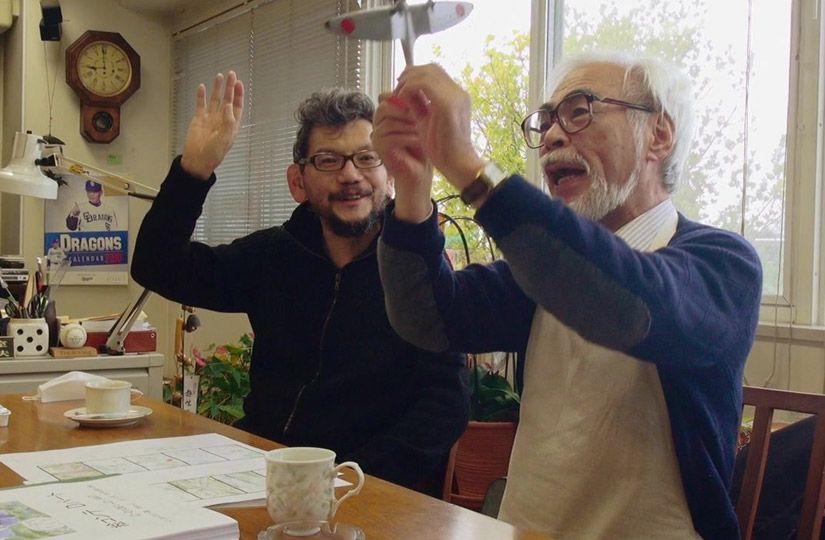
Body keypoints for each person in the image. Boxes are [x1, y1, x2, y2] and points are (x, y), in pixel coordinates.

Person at [372, 52, 762, 537]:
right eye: (547, 120)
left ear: (659, 134)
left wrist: (471, 168)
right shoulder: (543, 271)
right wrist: (412, 187)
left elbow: (627, 305)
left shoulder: (724, 263)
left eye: (580, 111)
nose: (553, 136)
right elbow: (427, 317)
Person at [131, 72, 470, 490]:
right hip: (266, 475)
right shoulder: (272, 255)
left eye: (367, 158)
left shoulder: (419, 270)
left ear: (391, 176)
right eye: (328, 160)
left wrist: (349, 479)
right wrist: (193, 171)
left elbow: (445, 404)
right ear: (298, 182)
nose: (350, 175)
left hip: (371, 490)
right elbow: (157, 266)